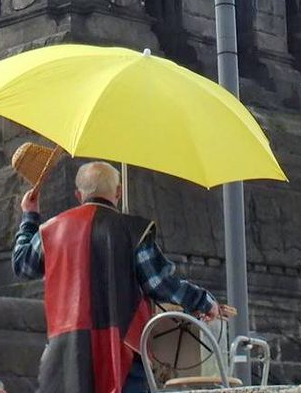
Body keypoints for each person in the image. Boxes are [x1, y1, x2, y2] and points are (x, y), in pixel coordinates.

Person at [12, 161, 232, 393]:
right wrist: (204, 301)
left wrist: (30, 216)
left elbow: (22, 266)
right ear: (119, 192)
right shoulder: (132, 230)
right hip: (121, 350)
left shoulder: (50, 231)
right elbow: (160, 284)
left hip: (65, 354)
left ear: (78, 195)